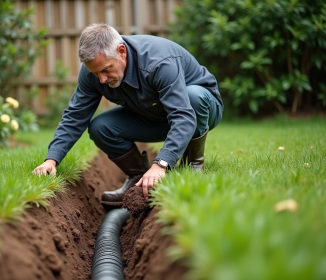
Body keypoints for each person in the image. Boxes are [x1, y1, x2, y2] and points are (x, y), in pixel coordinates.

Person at [33, 23, 223, 206]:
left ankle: (192, 166)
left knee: (193, 97)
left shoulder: (159, 62)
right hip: (154, 115)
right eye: (95, 73)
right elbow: (75, 115)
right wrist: (52, 159)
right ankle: (140, 180)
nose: (102, 79)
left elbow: (183, 115)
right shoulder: (93, 73)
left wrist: (161, 164)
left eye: (106, 69)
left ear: (121, 52)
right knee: (101, 127)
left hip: (199, 111)